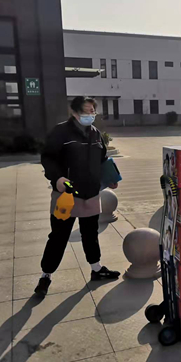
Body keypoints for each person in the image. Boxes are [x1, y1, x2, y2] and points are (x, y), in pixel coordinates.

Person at [34, 97, 120, 297]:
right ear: (74, 112)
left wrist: (110, 177)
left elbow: (102, 159)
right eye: (87, 111)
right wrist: (57, 178)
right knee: (59, 236)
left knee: (90, 234)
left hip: (91, 194)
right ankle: (46, 275)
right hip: (67, 194)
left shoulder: (95, 133)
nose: (91, 114)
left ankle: (96, 269)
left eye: (93, 111)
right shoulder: (61, 132)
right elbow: (48, 157)